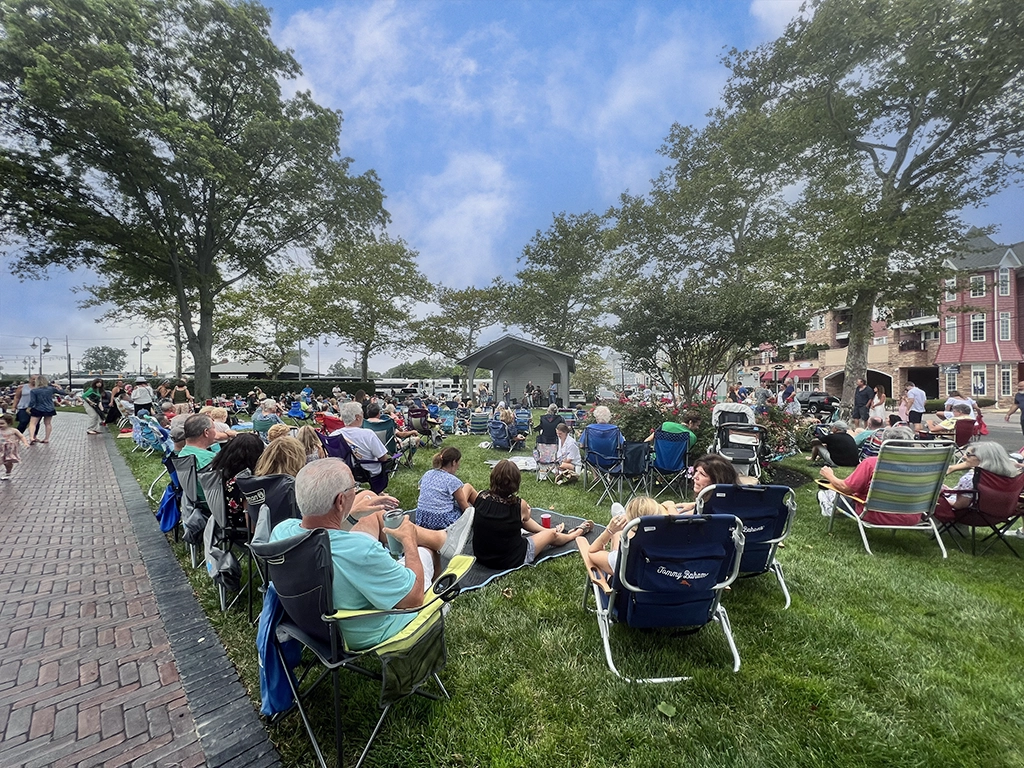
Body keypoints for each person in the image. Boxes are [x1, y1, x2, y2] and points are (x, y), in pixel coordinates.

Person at [269, 460, 473, 651]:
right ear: (340, 500)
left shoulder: (281, 532)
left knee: (372, 512)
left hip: (312, 624)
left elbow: (324, 532)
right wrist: (410, 542)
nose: (356, 490)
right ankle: (439, 574)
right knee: (424, 551)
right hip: (361, 631)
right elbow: (413, 599)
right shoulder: (360, 550)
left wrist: (350, 517)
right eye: (353, 488)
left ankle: (442, 539)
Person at [472, 459, 593, 570]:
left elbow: (521, 519)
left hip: (482, 557)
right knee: (551, 535)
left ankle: (545, 530)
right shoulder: (519, 505)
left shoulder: (481, 496)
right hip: (509, 559)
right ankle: (574, 534)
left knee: (520, 521)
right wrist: (527, 510)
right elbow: (526, 517)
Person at [818, 426, 916, 517]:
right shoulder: (923, 468)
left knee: (824, 494)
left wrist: (829, 475)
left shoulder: (872, 464)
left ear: (884, 443)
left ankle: (830, 509)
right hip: (910, 516)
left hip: (873, 514)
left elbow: (846, 488)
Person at [584, 496, 674, 578]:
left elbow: (593, 552)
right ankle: (621, 524)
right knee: (620, 537)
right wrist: (670, 507)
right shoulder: (677, 549)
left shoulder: (622, 558)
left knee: (619, 535)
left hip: (630, 593)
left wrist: (609, 531)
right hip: (670, 591)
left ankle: (621, 521)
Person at [939, 441, 1020, 511]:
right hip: (999, 514)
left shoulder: (971, 479)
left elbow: (959, 505)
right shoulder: (1012, 477)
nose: (964, 457)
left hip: (972, 515)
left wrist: (938, 499)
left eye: (968, 454)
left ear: (981, 458)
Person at [208, 432, 265, 528]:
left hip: (225, 520)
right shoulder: (244, 483)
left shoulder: (221, 471)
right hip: (243, 526)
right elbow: (251, 526)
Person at [414, 447, 478, 530]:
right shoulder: (452, 480)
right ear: (454, 462)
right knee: (468, 487)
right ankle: (483, 510)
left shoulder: (427, 473)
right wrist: (471, 517)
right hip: (443, 521)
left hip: (422, 519)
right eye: (459, 462)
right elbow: (464, 507)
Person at [336, 401, 390, 482]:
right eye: (362, 413)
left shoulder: (334, 435)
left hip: (344, 472)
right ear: (357, 417)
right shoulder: (368, 434)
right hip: (368, 473)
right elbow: (383, 458)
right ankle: (378, 491)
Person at [26, 376, 68, 445]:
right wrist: (58, 386)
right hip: (49, 408)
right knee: (48, 423)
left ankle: (31, 438)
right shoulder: (51, 389)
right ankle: (46, 438)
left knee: (33, 423)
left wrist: (29, 408)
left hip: (38, 408)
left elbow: (32, 401)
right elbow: (63, 393)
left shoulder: (34, 391)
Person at [0, 413, 31, 481]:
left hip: (9, 449)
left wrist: (25, 443)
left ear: (8, 423)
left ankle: (8, 472)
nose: (0, 425)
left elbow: (21, 436)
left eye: (2, 423)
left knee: (8, 462)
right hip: (0, 449)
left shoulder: (13, 430)